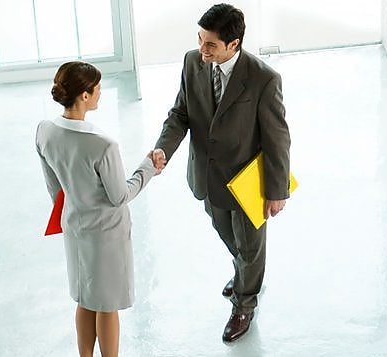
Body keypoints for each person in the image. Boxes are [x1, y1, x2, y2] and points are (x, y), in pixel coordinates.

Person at [153, 4, 291, 342]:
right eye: (200, 40)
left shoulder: (263, 79)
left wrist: (277, 190)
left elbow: (278, 137)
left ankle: (245, 303)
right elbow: (180, 113)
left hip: (248, 181)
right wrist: (163, 148)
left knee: (250, 246)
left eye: (210, 45)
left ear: (234, 44)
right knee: (228, 236)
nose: (202, 51)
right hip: (208, 176)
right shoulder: (192, 62)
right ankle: (246, 273)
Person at [36, 61, 165, 356]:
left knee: (84, 298)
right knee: (106, 305)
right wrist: (148, 167)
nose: (100, 93)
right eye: (97, 89)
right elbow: (119, 196)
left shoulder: (44, 131)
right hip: (106, 235)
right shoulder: (102, 144)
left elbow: (55, 190)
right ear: (84, 95)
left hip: (75, 227)